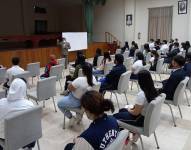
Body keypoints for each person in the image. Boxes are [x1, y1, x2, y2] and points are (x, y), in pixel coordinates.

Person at [0, 78, 35, 150]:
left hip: (5, 138)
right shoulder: (30, 105)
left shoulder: (1, 102)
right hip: (25, 137)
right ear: (24, 89)